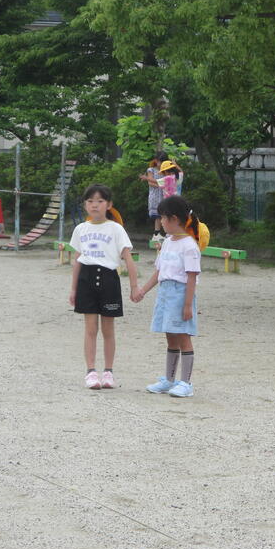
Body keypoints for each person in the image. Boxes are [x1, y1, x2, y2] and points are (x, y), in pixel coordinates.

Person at [69, 184, 139, 390]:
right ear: (85, 205)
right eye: (90, 201)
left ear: (109, 205)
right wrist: (73, 289)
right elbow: (77, 260)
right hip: (86, 279)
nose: (95, 205)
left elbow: (128, 258)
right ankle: (91, 372)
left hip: (109, 279)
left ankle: (108, 372)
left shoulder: (116, 229)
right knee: (90, 328)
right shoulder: (80, 229)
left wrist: (134, 286)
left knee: (108, 329)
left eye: (100, 201)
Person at [133, 195, 202, 398]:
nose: (160, 222)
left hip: (180, 295)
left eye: (163, 217)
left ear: (174, 219)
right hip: (165, 294)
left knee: (183, 337)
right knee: (170, 337)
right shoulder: (168, 243)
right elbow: (159, 272)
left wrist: (187, 305)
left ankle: (186, 383)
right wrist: (143, 291)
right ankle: (169, 380)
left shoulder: (189, 245)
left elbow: (191, 277)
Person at [139, 156, 166, 242]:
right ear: (156, 161)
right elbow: (150, 183)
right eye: (160, 162)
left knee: (163, 214)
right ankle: (156, 233)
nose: (161, 164)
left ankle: (160, 233)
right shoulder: (151, 170)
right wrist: (163, 185)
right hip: (155, 195)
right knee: (158, 215)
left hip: (164, 194)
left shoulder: (165, 170)